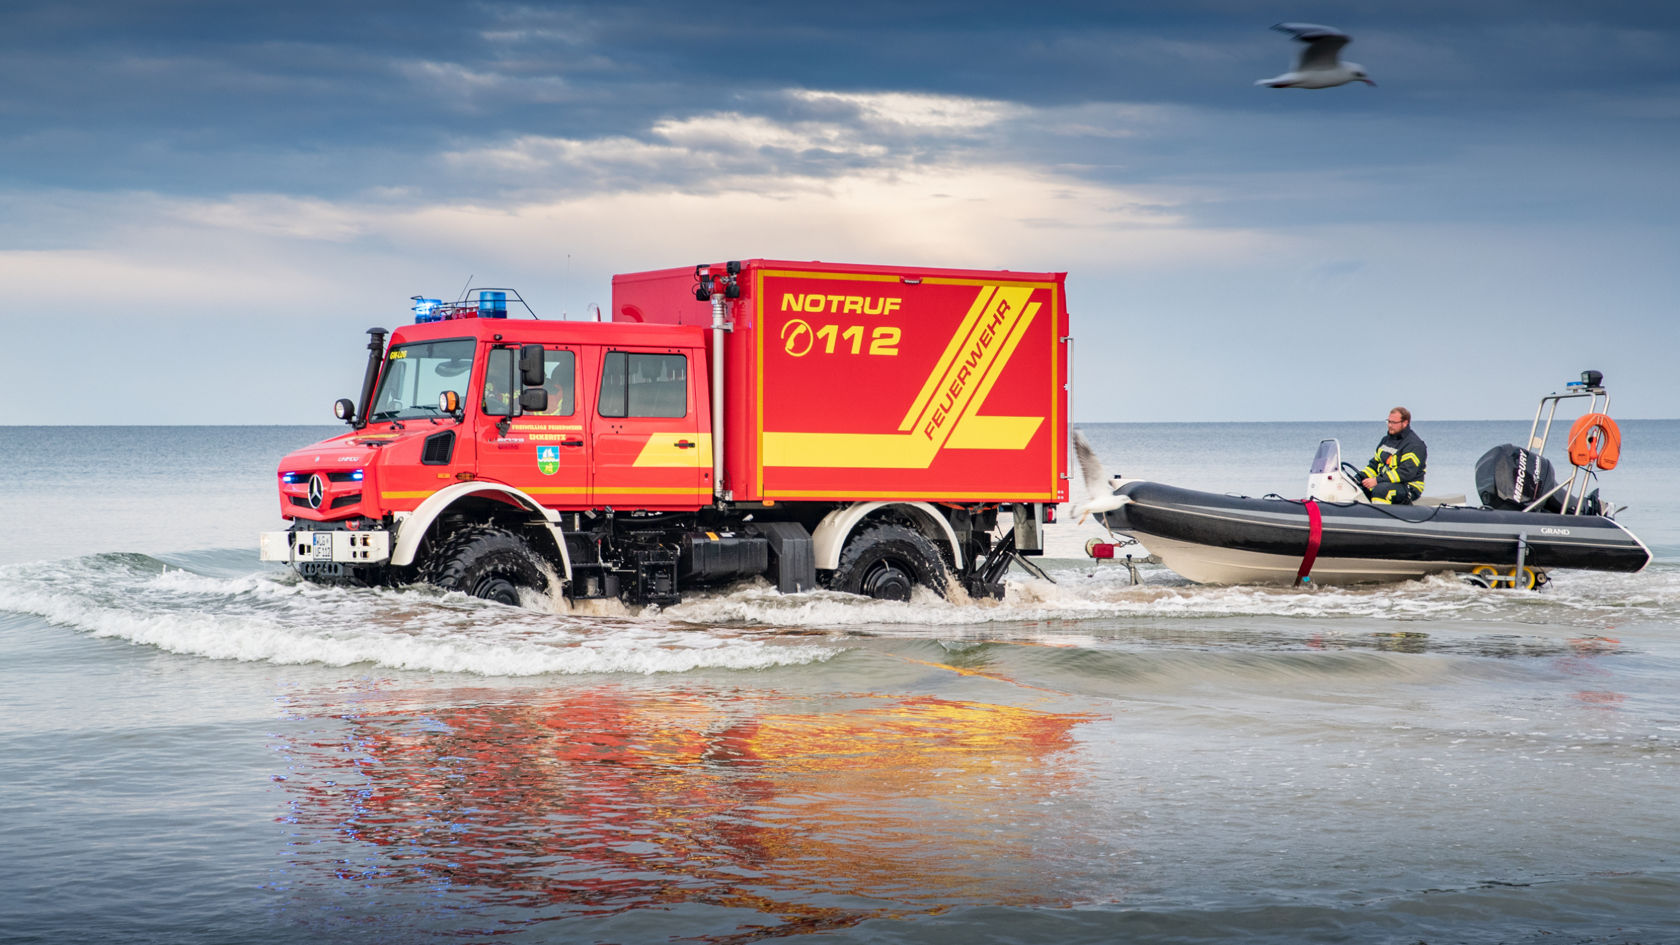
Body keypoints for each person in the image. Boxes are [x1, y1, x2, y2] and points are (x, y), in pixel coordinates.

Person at [1361, 407, 1427, 504]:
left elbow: (1406, 472)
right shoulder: (1386, 441)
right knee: (1357, 485)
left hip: (1409, 486)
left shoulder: (1414, 445)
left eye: (1394, 423)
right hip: (1386, 482)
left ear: (1405, 423)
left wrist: (1377, 480)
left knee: (1381, 490)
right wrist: (1359, 477)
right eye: (1389, 421)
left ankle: (1381, 518)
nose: (1390, 425)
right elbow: (1374, 465)